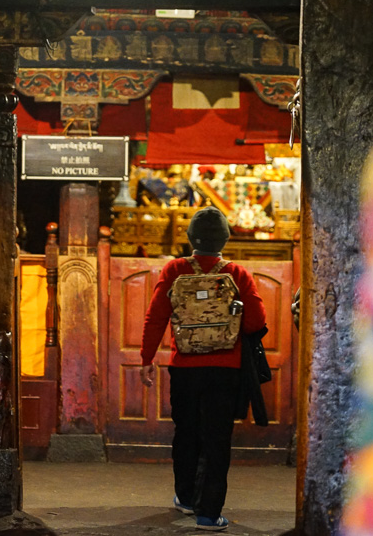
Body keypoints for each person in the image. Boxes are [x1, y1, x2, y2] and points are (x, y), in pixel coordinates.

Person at [139, 206, 267, 532]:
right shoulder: (237, 274)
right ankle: (208, 513)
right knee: (216, 438)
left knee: (186, 432)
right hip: (225, 368)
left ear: (190, 238)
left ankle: (185, 497)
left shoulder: (174, 271)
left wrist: (146, 358)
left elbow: (155, 318)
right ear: (225, 238)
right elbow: (256, 322)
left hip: (184, 368)